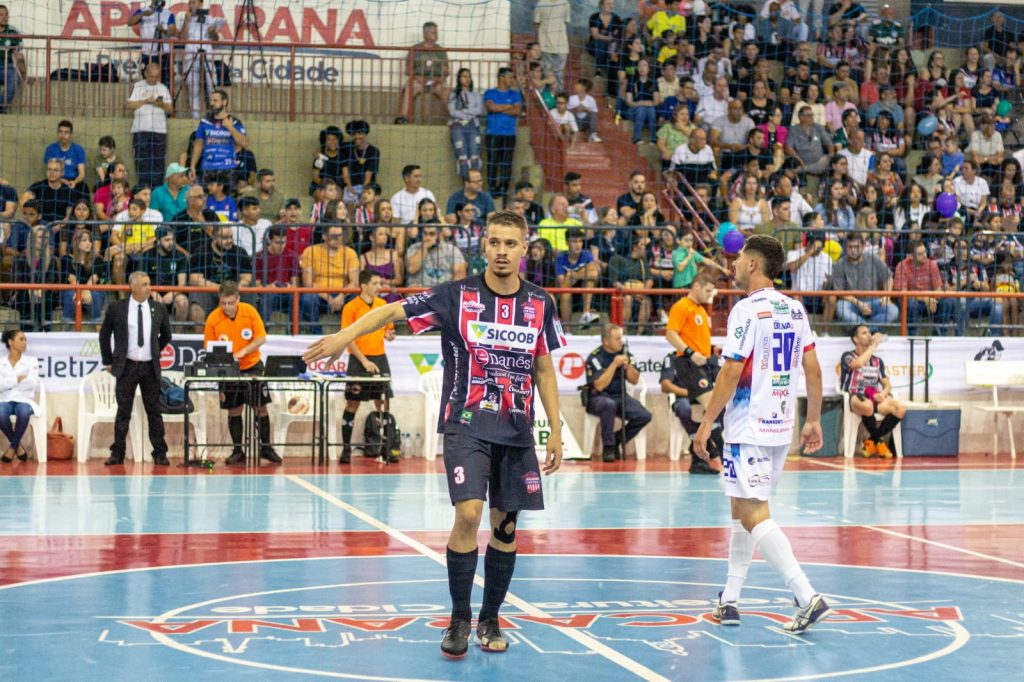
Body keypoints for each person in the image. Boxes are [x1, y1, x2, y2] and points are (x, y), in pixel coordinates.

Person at [303, 210, 566, 659]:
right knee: (468, 514)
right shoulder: (455, 296)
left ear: (525, 248)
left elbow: (544, 366)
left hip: (518, 430)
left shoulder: (541, 302)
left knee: (506, 527)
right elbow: (391, 309)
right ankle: (460, 617)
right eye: (494, 243)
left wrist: (554, 429)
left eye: (511, 244)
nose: (502, 252)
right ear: (483, 247)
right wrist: (345, 336)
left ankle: (490, 618)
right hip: (465, 424)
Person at [693, 234, 831, 634]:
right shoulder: (795, 309)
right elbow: (814, 370)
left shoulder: (745, 310)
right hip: (781, 426)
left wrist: (705, 424)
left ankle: (807, 596)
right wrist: (815, 419)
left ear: (753, 265)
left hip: (747, 425)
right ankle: (730, 599)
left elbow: (732, 370)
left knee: (754, 513)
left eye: (737, 260)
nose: (732, 266)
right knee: (742, 510)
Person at [202, 281, 281, 466]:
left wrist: (244, 351)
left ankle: (266, 448)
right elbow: (209, 347)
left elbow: (261, 337)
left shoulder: (249, 312)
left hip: (252, 365)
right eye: (223, 303)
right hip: (229, 369)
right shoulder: (213, 318)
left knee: (260, 407)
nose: (227, 307)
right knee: (234, 409)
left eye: (230, 303)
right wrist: (226, 358)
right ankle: (238, 450)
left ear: (238, 299)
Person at [99, 272, 172, 466]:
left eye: (149, 284)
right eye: (144, 284)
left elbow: (166, 335)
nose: (149, 288)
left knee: (154, 411)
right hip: (127, 366)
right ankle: (118, 452)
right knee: (123, 411)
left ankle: (159, 452)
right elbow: (104, 335)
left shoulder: (159, 308)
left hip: (150, 367)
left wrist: (154, 351)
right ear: (132, 286)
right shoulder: (117, 308)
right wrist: (108, 360)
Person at [665, 272, 724, 473]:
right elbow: (670, 334)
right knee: (714, 407)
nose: (710, 295)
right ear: (696, 286)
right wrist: (690, 353)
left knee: (700, 414)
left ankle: (698, 461)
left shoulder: (700, 310)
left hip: (703, 364)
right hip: (689, 364)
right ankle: (725, 455)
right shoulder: (682, 306)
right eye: (707, 290)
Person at [339, 271, 397, 464]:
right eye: (374, 283)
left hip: (380, 358)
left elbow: (389, 329)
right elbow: (348, 338)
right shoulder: (351, 307)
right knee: (352, 404)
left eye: (380, 283)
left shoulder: (383, 306)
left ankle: (385, 448)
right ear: (363, 286)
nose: (379, 287)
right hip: (359, 361)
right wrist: (364, 361)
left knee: (383, 403)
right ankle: (346, 449)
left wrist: (389, 334)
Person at [584, 324, 651, 462]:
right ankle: (608, 448)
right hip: (598, 398)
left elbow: (634, 380)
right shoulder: (595, 357)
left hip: (620, 397)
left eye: (620, 338)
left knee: (644, 415)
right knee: (608, 405)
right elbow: (599, 385)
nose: (620, 341)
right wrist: (614, 364)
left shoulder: (626, 354)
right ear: (606, 341)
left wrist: (628, 366)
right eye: (617, 339)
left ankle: (617, 439)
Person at [840, 324, 906, 457]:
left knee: (900, 409)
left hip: (874, 396)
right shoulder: (847, 356)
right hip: (855, 396)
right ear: (855, 339)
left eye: (869, 332)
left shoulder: (877, 361)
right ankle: (878, 442)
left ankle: (872, 441)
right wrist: (873, 346)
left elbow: (886, 383)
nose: (869, 335)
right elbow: (858, 364)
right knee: (867, 406)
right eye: (864, 333)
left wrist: (884, 393)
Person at [394, 21, 450, 124]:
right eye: (433, 32)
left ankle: (453, 117)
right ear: (425, 34)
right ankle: (403, 118)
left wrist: (438, 80)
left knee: (446, 90)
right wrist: (418, 78)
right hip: (419, 81)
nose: (436, 35)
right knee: (410, 87)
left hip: (436, 82)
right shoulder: (415, 49)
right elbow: (408, 70)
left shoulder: (441, 51)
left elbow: (446, 72)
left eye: (436, 32)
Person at [189, 89, 247, 186]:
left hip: (227, 169)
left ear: (224, 102)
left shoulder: (235, 122)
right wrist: (192, 166)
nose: (212, 103)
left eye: (215, 101)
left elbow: (245, 143)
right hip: (208, 168)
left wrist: (230, 127)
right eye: (211, 100)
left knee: (227, 199)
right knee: (206, 199)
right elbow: (198, 144)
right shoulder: (205, 121)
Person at [177, 0, 223, 119]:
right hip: (190, 56)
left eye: (194, 2)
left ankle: (215, 115)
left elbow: (215, 40)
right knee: (193, 88)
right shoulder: (184, 18)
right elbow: (181, 38)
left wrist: (212, 32)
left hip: (207, 56)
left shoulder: (209, 18)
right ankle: (195, 116)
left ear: (201, 4)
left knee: (212, 87)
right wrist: (187, 21)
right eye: (190, 3)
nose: (191, 5)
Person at [483, 67, 522, 203]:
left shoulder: (515, 94)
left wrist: (499, 108)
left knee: (507, 163)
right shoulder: (490, 92)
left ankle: (503, 188)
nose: (512, 80)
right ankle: (492, 189)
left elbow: (517, 111)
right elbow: (491, 107)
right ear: (501, 77)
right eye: (510, 77)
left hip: (509, 134)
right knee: (493, 162)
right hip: (493, 133)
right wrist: (508, 107)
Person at [0, 329, 39, 462]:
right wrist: (17, 379)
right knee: (0, 413)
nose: (24, 342)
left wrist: (8, 383)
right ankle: (18, 447)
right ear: (11, 342)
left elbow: (32, 382)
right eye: (21, 339)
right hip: (5, 398)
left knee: (23, 412)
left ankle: (12, 448)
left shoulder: (32, 361)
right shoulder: (1, 362)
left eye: (25, 339)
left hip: (24, 399)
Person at [128, 0, 175, 86]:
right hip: (147, 53)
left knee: (166, 82)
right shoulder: (143, 10)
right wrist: (142, 15)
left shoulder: (168, 13)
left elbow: (172, 32)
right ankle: (149, 99)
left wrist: (163, 30)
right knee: (148, 83)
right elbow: (130, 22)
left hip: (164, 54)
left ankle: (165, 98)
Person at [534, 0, 571, 92]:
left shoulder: (565, 3)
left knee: (559, 75)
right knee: (546, 75)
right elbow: (536, 23)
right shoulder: (541, 4)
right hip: (545, 46)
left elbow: (566, 21)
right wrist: (538, 43)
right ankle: (545, 101)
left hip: (561, 46)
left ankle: (558, 100)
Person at [0, 4, 30, 113]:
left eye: (6, 14)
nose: (4, 17)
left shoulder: (13, 31)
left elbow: (19, 56)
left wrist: (25, 76)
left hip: (6, 68)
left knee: (15, 78)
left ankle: (1, 105)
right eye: (1, 14)